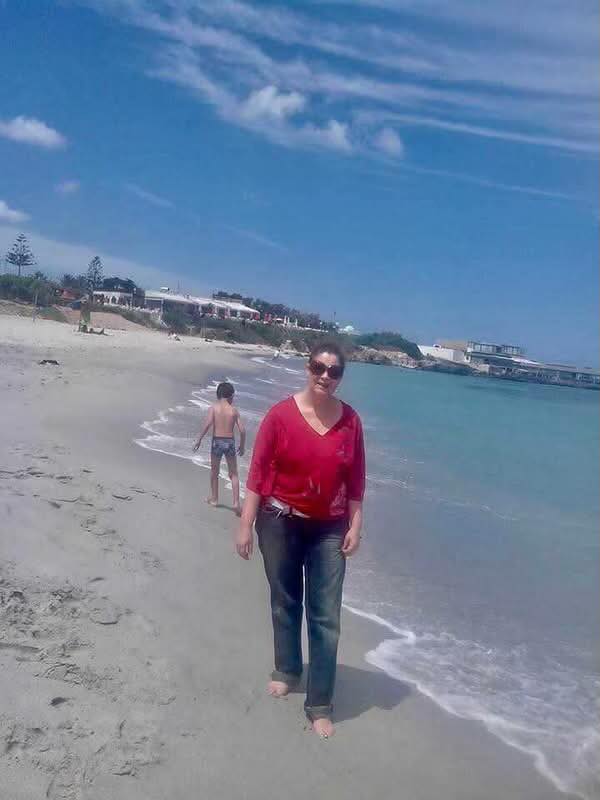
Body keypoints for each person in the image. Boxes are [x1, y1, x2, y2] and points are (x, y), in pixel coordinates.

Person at [236, 341, 365, 739]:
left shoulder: (351, 422)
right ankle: (288, 668)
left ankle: (320, 703)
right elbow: (258, 474)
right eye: (318, 368)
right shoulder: (280, 416)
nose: (325, 376)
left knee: (326, 617)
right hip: (280, 521)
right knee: (285, 600)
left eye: (334, 371)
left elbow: (356, 480)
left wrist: (355, 525)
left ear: (340, 377)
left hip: (330, 529)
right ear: (308, 369)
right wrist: (245, 524)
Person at [193, 381, 246, 515]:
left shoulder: (214, 408)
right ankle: (236, 503)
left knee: (214, 471)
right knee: (233, 473)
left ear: (218, 395)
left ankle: (215, 499)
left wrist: (199, 439)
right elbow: (242, 430)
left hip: (217, 441)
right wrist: (242, 445)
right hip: (229, 442)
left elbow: (207, 424)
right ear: (231, 396)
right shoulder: (234, 411)